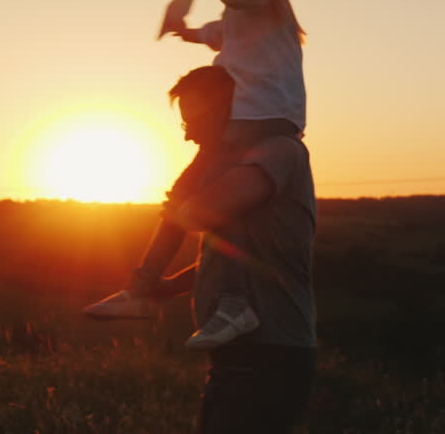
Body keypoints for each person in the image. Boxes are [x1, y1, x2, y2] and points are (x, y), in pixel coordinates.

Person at [84, 0, 307, 349]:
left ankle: (235, 304)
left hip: (265, 122)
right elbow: (218, 31)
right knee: (180, 200)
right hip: (238, 123)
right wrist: (183, 31)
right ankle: (141, 291)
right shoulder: (247, 8)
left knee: (221, 207)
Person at [111, 65, 320, 433]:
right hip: (238, 360)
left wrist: (180, 204)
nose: (188, 134)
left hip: (269, 357)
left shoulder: (279, 150)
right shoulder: (239, 160)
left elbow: (204, 212)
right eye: (184, 123)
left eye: (193, 119)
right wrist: (168, 287)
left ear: (231, 108)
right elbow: (242, 259)